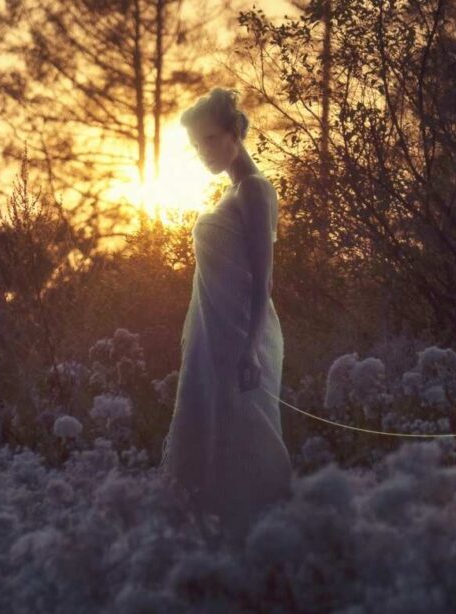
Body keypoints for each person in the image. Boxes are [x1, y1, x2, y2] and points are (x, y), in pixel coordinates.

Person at [158, 87, 292, 544]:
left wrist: (251, 347)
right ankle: (218, 549)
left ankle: (267, 545)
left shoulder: (255, 190)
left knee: (248, 445)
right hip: (214, 338)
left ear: (235, 133)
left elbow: (263, 279)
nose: (202, 153)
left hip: (242, 338)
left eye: (210, 140)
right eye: (196, 145)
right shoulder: (233, 192)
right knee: (214, 443)